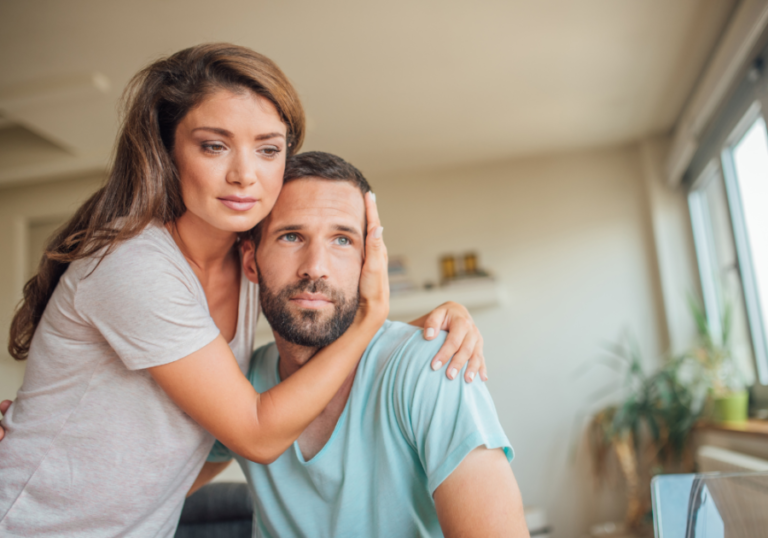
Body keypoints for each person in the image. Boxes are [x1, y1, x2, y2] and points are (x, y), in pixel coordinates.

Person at [0, 44, 486, 537]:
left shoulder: (248, 257)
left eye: (268, 149)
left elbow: (309, 316)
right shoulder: (135, 265)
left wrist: (420, 330)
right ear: (166, 151)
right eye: (214, 146)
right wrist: (370, 318)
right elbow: (256, 432)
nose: (244, 174)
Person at [191, 152, 529, 537]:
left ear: (369, 262)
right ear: (250, 261)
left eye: (341, 239)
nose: (315, 266)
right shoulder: (241, 383)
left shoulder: (431, 368)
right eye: (291, 236)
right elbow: (151, 490)